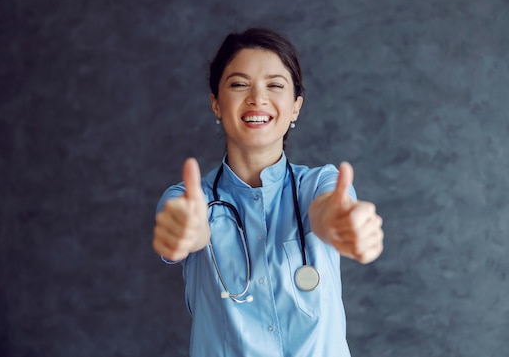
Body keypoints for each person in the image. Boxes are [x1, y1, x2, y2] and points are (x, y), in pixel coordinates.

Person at [153, 27, 384, 356]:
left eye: (275, 85)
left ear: (295, 107)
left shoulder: (318, 185)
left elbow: (327, 211)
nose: (257, 98)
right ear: (216, 104)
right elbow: (185, 228)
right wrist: (185, 231)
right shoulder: (189, 199)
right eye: (238, 84)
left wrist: (341, 222)